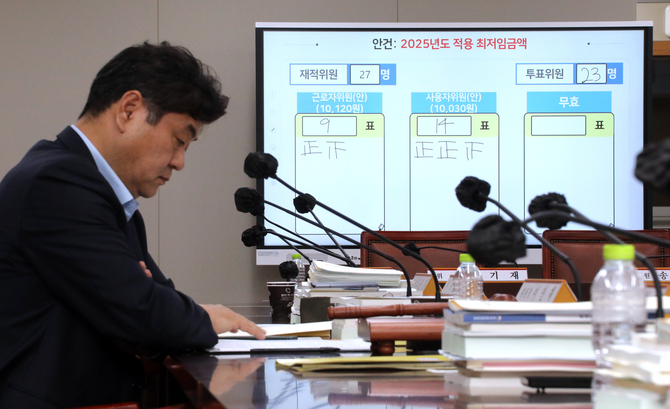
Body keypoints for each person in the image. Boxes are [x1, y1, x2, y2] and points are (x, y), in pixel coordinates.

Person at [0, 41, 265, 409]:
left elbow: (157, 304)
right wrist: (198, 316)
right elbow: (146, 312)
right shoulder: (56, 183)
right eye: (179, 140)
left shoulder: (106, 196)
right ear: (129, 110)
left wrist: (151, 307)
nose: (179, 162)